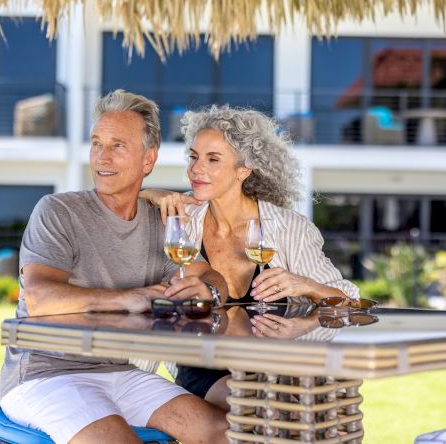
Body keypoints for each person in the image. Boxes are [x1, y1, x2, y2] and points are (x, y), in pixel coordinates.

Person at [0, 90, 229, 444]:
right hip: (46, 375)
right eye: (96, 144)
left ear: (147, 160)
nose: (101, 157)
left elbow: (207, 277)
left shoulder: (160, 222)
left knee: (226, 432)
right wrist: (128, 297)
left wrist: (209, 290)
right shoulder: (58, 211)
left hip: (120, 372)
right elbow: (40, 297)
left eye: (118, 145)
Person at [141, 104, 359, 409]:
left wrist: (304, 293)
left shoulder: (288, 228)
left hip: (273, 364)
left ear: (244, 169)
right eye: (194, 157)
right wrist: (151, 193)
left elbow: (349, 303)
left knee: (305, 410)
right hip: (203, 366)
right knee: (259, 406)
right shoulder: (182, 220)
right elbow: (116, 204)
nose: (196, 169)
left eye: (213, 159)